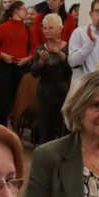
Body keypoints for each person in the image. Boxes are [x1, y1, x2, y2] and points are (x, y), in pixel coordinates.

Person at [0, 1, 33, 127]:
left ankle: (15, 127)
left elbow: (35, 46)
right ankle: (1, 127)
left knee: (18, 100)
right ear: (16, 10)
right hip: (5, 68)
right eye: (23, 9)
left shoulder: (28, 28)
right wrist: (2, 54)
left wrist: (28, 58)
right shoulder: (5, 27)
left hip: (21, 68)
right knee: (4, 100)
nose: (26, 12)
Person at [30, 12, 72, 145]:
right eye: (45, 28)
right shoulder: (40, 49)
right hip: (45, 95)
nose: (47, 31)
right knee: (45, 130)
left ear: (60, 29)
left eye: (51, 27)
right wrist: (42, 61)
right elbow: (34, 73)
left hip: (64, 95)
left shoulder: (68, 48)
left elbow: (71, 70)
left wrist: (60, 55)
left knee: (62, 131)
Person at [68, 0, 99, 87]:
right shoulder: (79, 33)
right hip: (83, 88)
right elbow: (73, 62)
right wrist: (90, 42)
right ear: (91, 14)